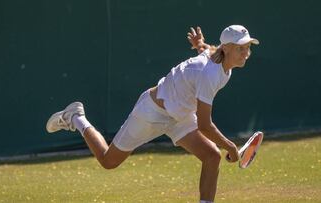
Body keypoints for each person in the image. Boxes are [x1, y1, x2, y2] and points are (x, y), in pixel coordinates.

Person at [46, 25, 259, 203]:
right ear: (228, 48)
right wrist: (230, 146)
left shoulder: (222, 63)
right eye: (241, 48)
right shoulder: (210, 74)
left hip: (180, 116)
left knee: (212, 156)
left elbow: (208, 49)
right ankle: (76, 117)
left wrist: (199, 45)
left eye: (248, 47)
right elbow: (204, 125)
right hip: (152, 112)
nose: (246, 53)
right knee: (108, 161)